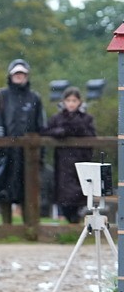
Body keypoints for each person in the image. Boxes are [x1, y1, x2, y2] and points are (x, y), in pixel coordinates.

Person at [0, 59, 45, 223]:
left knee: (27, 188)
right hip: (4, 152)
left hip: (27, 153)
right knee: (3, 188)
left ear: (27, 76)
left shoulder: (34, 98)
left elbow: (41, 126)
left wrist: (41, 152)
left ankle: (29, 226)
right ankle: (6, 226)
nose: (19, 76)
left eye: (22, 73)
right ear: (10, 75)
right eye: (16, 73)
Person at [40, 86, 96, 223]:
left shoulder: (87, 118)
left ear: (79, 102)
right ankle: (70, 223)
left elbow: (91, 135)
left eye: (74, 100)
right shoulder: (57, 118)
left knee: (78, 194)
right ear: (64, 102)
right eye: (68, 100)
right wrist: (60, 132)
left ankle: (75, 223)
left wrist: (70, 130)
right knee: (64, 195)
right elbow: (45, 131)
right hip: (63, 162)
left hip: (81, 160)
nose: (71, 103)